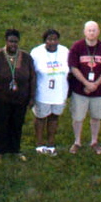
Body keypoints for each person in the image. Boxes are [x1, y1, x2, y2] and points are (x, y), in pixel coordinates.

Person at [0, 28, 36, 162]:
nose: (13, 44)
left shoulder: (26, 57)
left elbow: (32, 77)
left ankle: (15, 150)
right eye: (10, 41)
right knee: (0, 124)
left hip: (20, 98)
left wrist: (32, 97)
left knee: (17, 124)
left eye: (15, 42)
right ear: (6, 41)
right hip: (0, 98)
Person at [67, 20, 101, 154]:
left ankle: (94, 141)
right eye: (89, 30)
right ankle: (77, 141)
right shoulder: (77, 47)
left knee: (96, 117)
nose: (92, 32)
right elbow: (74, 67)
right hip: (80, 90)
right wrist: (86, 83)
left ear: (99, 31)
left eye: (94, 30)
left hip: (98, 91)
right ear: (84, 32)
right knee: (78, 117)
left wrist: (95, 84)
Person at [30, 27, 70, 155]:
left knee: (54, 117)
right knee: (40, 117)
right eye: (49, 39)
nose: (52, 42)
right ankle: (39, 144)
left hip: (59, 92)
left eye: (55, 39)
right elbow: (32, 74)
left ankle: (51, 143)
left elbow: (69, 72)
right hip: (43, 93)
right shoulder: (36, 53)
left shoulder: (65, 51)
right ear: (44, 41)